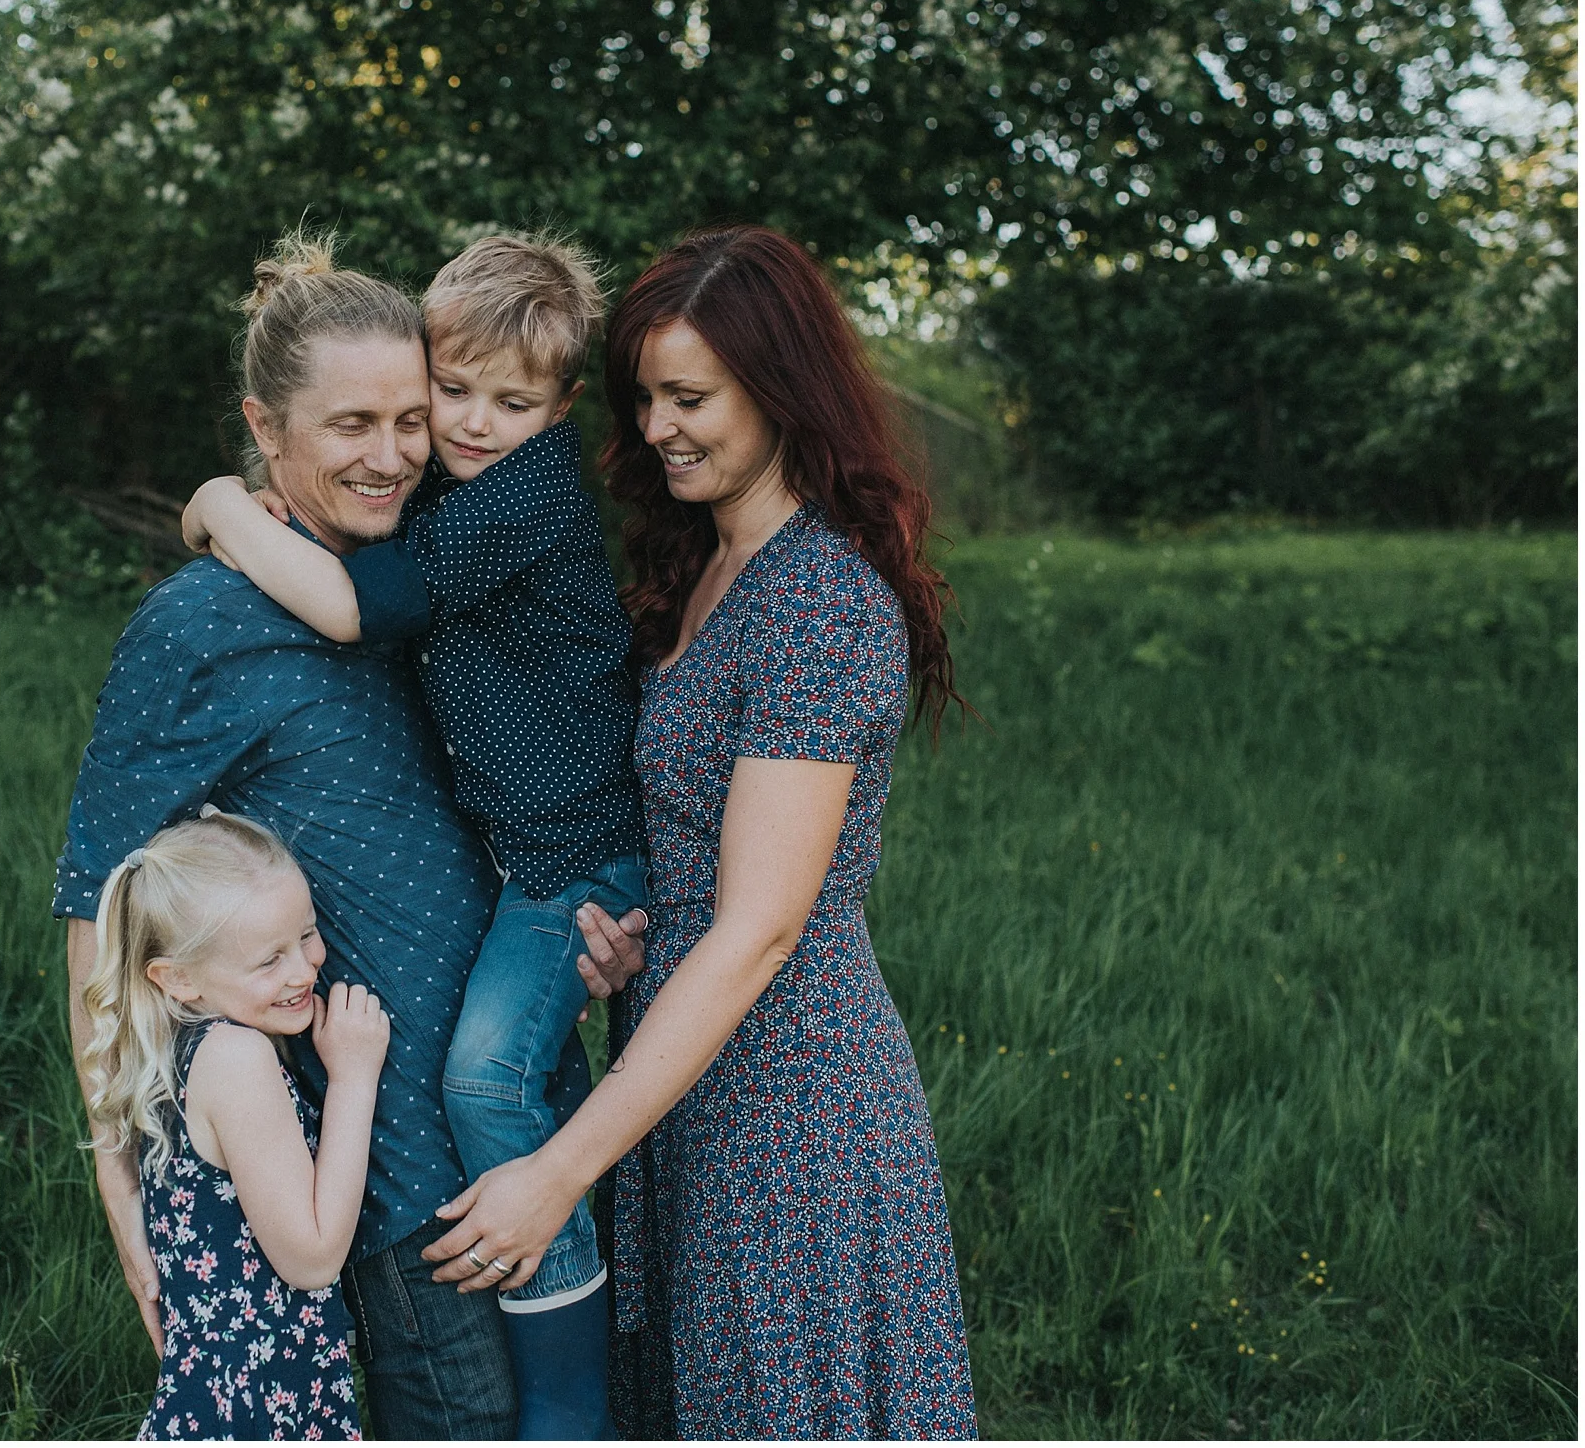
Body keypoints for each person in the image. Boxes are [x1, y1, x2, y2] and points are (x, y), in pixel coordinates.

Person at [52, 230, 647, 1440]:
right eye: (347, 426)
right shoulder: (202, 626)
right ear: (265, 428)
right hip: (393, 1168)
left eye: (409, 421)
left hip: (525, 1093)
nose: (391, 457)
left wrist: (588, 925)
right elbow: (97, 902)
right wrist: (121, 1181)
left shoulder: (441, 569)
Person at [421, 224, 981, 1438]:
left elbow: (762, 929)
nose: (661, 427)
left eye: (692, 398)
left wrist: (556, 1171)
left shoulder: (820, 601)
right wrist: (636, 928)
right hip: (676, 1064)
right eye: (645, 398)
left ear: (780, 392)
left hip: (792, 1100)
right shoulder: (704, 560)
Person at [78, 810, 381, 1440]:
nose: (303, 970)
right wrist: (354, 1079)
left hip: (224, 1398)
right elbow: (313, 1257)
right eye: (269, 960)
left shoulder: (176, 1049)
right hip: (256, 1408)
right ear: (178, 978)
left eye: (307, 934)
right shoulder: (236, 1059)